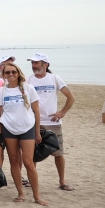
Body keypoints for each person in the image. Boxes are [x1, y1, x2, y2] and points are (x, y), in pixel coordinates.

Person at [0, 62, 47, 206]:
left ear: (18, 73)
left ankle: (37, 196)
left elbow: (36, 111)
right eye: (7, 72)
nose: (11, 74)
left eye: (13, 71)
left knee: (28, 162)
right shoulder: (1, 91)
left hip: (27, 128)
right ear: (3, 75)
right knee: (14, 161)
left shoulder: (28, 88)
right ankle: (20, 193)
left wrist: (37, 132)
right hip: (8, 128)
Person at [28, 53, 75, 192]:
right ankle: (32, 180)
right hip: (34, 122)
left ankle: (62, 182)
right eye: (32, 63)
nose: (34, 65)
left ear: (46, 64)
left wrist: (62, 112)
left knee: (58, 153)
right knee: (33, 153)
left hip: (53, 123)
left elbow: (71, 97)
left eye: (36, 63)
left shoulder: (54, 78)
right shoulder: (29, 80)